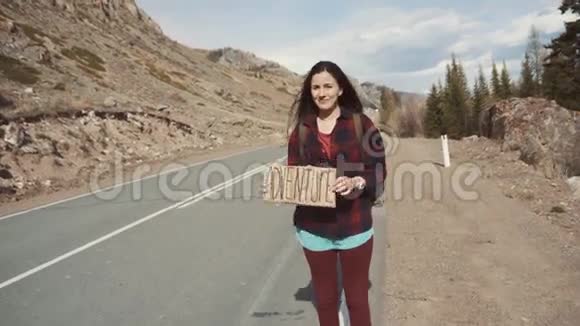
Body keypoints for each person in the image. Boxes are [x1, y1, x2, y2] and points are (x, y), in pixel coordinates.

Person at [286, 60, 387, 326]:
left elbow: (378, 171)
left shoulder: (361, 125)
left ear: (340, 88)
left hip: (355, 227)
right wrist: (281, 186)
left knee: (357, 301)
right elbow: (295, 174)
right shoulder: (301, 131)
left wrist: (357, 182)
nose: (321, 93)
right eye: (316, 87)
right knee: (326, 301)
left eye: (328, 86)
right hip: (314, 230)